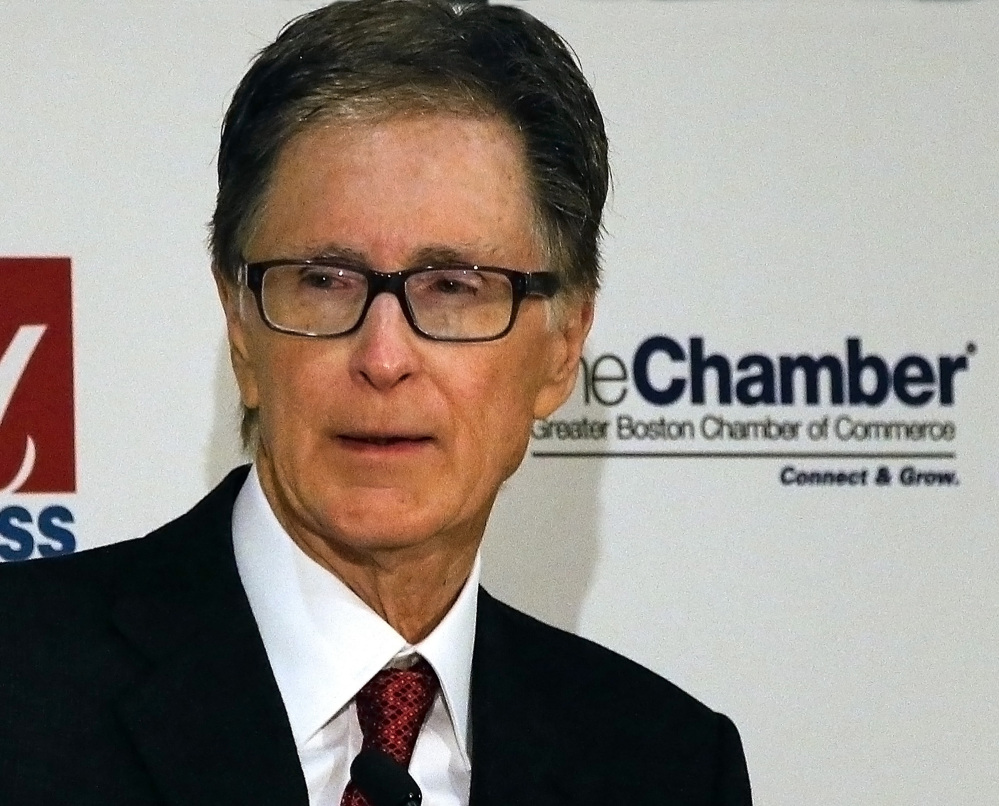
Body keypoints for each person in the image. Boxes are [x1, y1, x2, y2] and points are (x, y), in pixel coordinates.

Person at [0, 1, 752, 803]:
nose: (384, 357)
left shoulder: (664, 764)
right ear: (241, 326)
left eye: (455, 286)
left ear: (564, 344)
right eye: (324, 281)